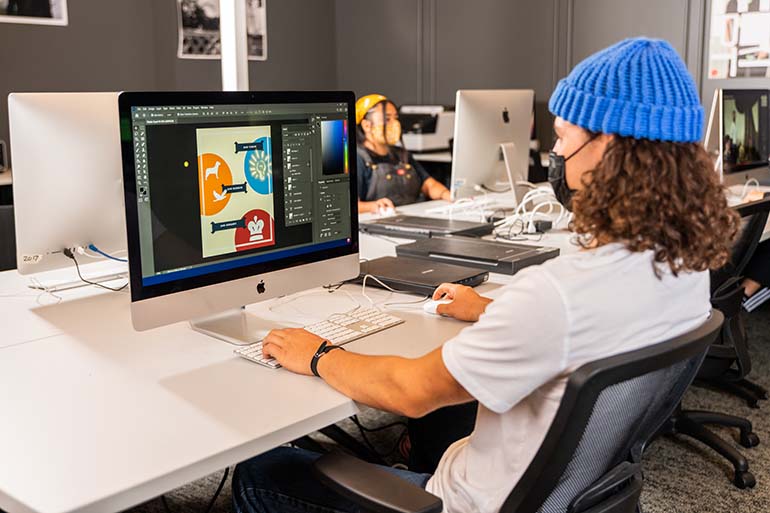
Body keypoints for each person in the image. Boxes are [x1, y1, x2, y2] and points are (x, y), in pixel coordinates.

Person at [231, 38, 739, 513]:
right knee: (445, 418)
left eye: (562, 138)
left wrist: (317, 354)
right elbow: (595, 325)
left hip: (467, 502)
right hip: (562, 492)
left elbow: (408, 388)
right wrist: (492, 311)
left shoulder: (556, 296)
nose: (555, 156)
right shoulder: (686, 264)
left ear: (607, 146)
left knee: (260, 471)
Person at [355, 94, 451, 214]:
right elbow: (349, 206)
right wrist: (373, 206)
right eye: (387, 119)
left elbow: (429, 185)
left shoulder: (401, 154)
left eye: (396, 118)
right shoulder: (358, 158)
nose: (395, 124)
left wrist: (447, 195)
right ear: (366, 125)